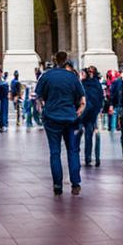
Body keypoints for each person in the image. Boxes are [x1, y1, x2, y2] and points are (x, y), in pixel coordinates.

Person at [36, 51, 85, 196]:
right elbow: (82, 99)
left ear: (54, 60)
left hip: (51, 118)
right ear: (67, 60)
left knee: (55, 152)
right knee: (73, 150)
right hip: (70, 118)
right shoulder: (73, 77)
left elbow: (38, 96)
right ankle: (75, 183)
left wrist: (43, 109)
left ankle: (57, 185)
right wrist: (78, 112)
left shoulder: (46, 76)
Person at [80, 66, 103, 167]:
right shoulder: (97, 84)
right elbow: (100, 98)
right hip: (93, 114)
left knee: (84, 135)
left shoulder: (84, 84)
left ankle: (87, 157)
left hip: (86, 113)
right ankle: (92, 158)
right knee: (91, 136)